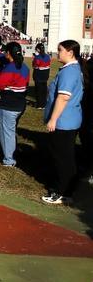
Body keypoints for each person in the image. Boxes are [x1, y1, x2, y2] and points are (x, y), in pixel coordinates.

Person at [42, 40, 86, 204]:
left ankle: (61, 191)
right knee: (66, 156)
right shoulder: (74, 69)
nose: (57, 52)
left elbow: (63, 97)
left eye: (60, 50)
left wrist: (53, 119)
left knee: (61, 158)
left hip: (63, 121)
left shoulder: (69, 72)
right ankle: (67, 190)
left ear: (70, 52)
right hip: (70, 119)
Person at [0, 42, 29, 167]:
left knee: (6, 132)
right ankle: (11, 152)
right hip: (20, 104)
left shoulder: (10, 68)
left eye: (5, 52)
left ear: (9, 53)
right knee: (11, 130)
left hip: (8, 104)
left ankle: (9, 159)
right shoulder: (24, 67)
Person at [32, 43, 51, 109]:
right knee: (44, 89)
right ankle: (44, 104)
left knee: (38, 90)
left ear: (38, 49)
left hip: (38, 74)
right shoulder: (48, 56)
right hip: (45, 74)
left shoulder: (37, 57)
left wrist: (34, 59)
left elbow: (35, 65)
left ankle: (39, 104)